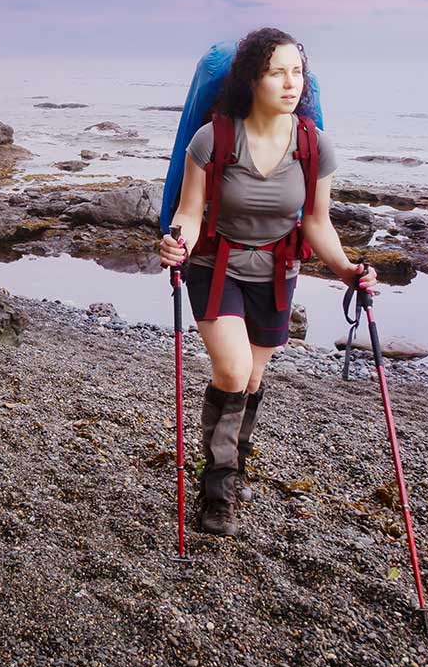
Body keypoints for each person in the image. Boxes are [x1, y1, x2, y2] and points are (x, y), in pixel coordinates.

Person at [158, 27, 378, 537]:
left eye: (297, 72)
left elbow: (317, 222)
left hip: (278, 273)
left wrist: (346, 269)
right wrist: (177, 242)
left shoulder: (313, 144)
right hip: (216, 267)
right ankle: (217, 493)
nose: (290, 83)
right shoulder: (213, 137)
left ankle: (233, 469)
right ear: (252, 79)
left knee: (252, 380)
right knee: (233, 370)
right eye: (277, 72)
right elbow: (190, 213)